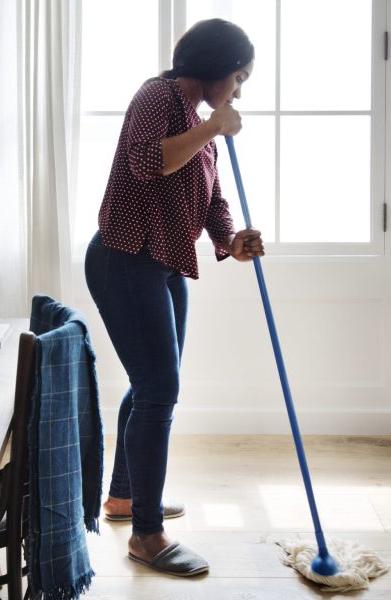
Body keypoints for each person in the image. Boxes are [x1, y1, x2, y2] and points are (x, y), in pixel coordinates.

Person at [84, 18, 264, 577]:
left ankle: (123, 498)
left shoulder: (194, 115)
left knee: (151, 386)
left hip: (163, 262)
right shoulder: (157, 95)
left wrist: (230, 239)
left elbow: (206, 192)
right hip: (124, 257)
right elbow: (146, 163)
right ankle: (146, 535)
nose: (239, 90)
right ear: (213, 69)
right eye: (238, 77)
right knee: (160, 390)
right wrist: (213, 127)